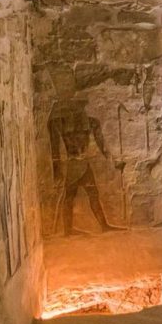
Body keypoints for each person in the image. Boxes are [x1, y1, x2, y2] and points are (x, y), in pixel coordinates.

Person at [49, 98, 123, 235]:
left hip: (83, 164)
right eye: (77, 107)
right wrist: (57, 168)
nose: (80, 110)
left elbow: (101, 144)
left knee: (92, 194)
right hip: (73, 165)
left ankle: (102, 225)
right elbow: (54, 147)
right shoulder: (61, 124)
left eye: (81, 107)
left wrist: (112, 160)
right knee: (70, 196)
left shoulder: (91, 122)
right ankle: (68, 230)